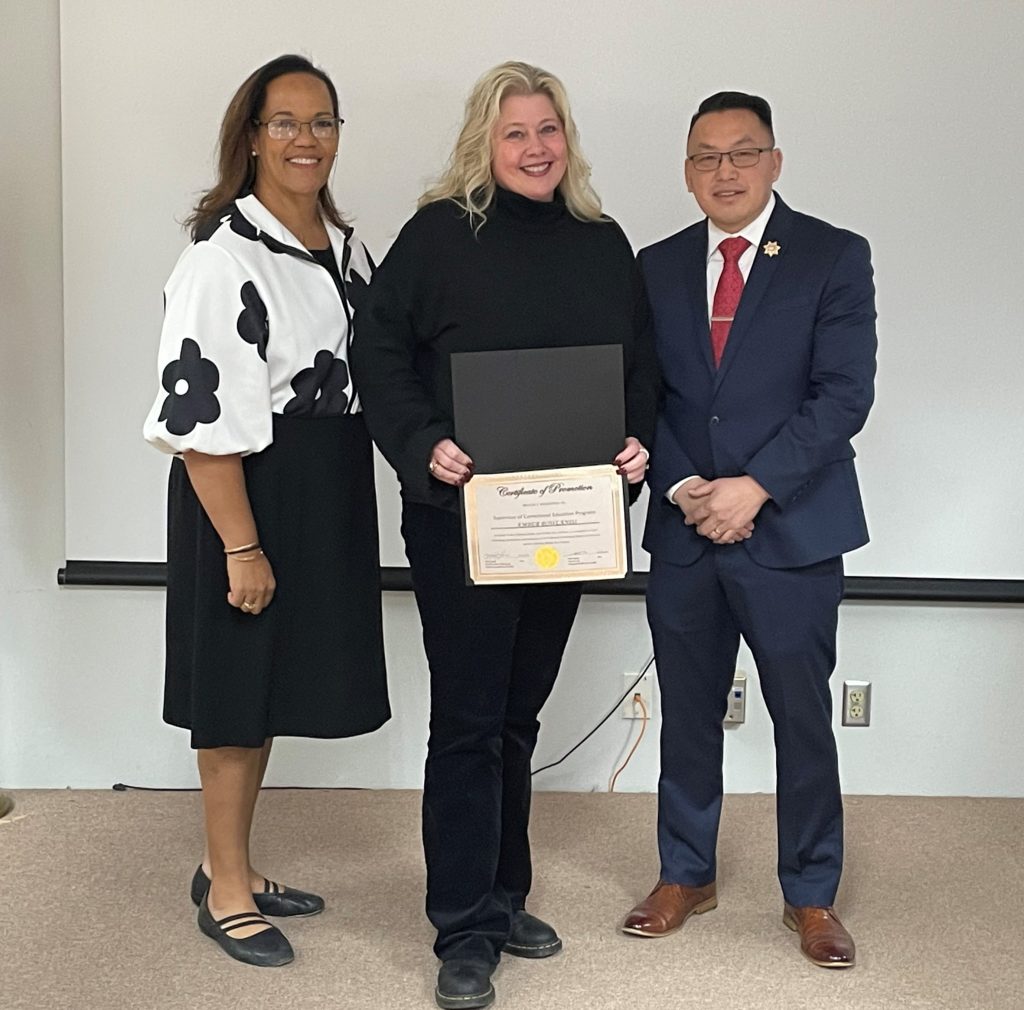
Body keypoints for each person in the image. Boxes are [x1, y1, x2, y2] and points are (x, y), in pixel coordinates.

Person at [352, 61, 658, 1010]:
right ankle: (463, 926)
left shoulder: (603, 243)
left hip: (568, 522)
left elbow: (640, 367)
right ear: (485, 144)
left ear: (568, 139)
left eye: (548, 129)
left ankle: (504, 891)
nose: (535, 148)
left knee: (519, 717)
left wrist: (638, 440)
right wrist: (421, 442)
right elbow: (377, 349)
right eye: (515, 132)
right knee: (472, 721)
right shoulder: (441, 235)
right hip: (463, 521)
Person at [143, 54, 389, 968]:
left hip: (323, 485)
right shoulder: (221, 257)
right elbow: (200, 423)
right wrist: (242, 546)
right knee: (235, 692)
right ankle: (227, 887)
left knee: (271, 684)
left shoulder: (342, 241)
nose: (304, 139)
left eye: (321, 121)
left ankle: (228, 862)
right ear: (250, 137)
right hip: (245, 489)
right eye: (283, 122)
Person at [621, 92, 876, 969]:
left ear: (774, 161)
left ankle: (810, 893)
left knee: (801, 717)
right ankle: (684, 872)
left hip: (792, 529)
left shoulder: (833, 257)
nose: (724, 171)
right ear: (687, 171)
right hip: (687, 526)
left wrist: (755, 487)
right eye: (705, 157)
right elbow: (641, 396)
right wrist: (691, 485)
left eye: (742, 153)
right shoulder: (653, 266)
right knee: (687, 711)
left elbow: (843, 396)